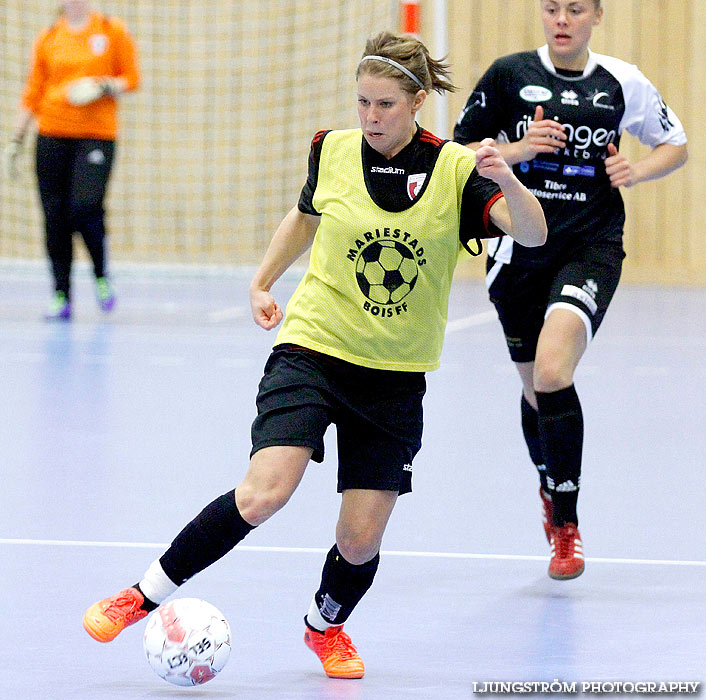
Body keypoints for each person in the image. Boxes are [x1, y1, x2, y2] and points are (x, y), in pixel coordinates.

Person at [82, 31, 546, 679]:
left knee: (359, 538)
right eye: (362, 102)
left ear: (416, 102)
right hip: (313, 349)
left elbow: (531, 233)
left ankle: (324, 627)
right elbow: (304, 217)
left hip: (392, 376)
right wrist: (261, 280)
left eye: (385, 105)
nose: (371, 117)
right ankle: (141, 596)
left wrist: (508, 181)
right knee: (264, 492)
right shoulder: (331, 151)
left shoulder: (455, 172)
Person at [454, 0, 687, 580]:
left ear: (596, 16)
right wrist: (518, 151)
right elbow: (457, 154)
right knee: (536, 390)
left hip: (592, 244)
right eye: (552, 8)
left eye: (575, 9)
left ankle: (567, 525)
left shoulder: (621, 82)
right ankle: (549, 484)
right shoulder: (510, 76)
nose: (562, 19)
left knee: (555, 372)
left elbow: (675, 144)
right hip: (517, 247)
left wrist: (639, 169)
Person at [3, 0, 140, 320]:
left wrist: (103, 86)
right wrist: (16, 138)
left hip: (95, 136)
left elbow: (131, 78)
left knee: (85, 206)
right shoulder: (49, 36)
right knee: (55, 217)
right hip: (51, 135)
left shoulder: (110, 30)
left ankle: (101, 274)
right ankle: (61, 293)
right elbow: (33, 90)